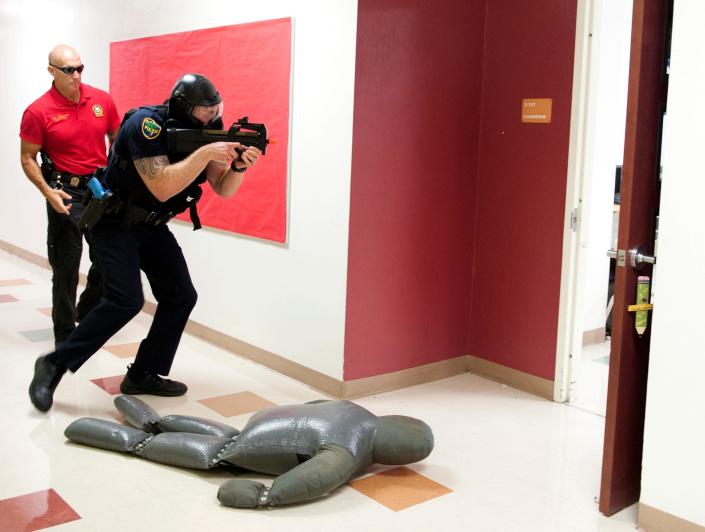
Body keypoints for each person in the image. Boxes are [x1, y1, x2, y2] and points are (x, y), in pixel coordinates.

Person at [29, 73, 261, 412]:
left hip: (151, 224)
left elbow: (222, 188)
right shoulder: (145, 125)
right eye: (204, 111)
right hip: (112, 221)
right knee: (126, 299)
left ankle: (143, 373)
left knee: (181, 296)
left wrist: (237, 167)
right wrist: (206, 151)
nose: (211, 117)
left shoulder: (209, 127)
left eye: (216, 109)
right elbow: (162, 186)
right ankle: (53, 364)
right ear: (183, 108)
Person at [65, 395, 435, 508]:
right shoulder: (349, 450)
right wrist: (266, 496)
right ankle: (127, 437)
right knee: (219, 452)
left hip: (259, 424)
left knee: (225, 435)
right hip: (250, 446)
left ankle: (149, 418)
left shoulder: (354, 408)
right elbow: (318, 476)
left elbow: (314, 402)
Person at [20, 44, 120, 348]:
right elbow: (27, 158)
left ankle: (86, 312)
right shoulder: (38, 111)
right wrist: (48, 192)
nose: (76, 75)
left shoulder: (101, 100)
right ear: (51, 71)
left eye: (80, 68)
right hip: (65, 191)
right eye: (68, 70)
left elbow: (116, 139)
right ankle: (64, 337)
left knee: (108, 260)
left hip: (99, 190)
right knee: (66, 268)